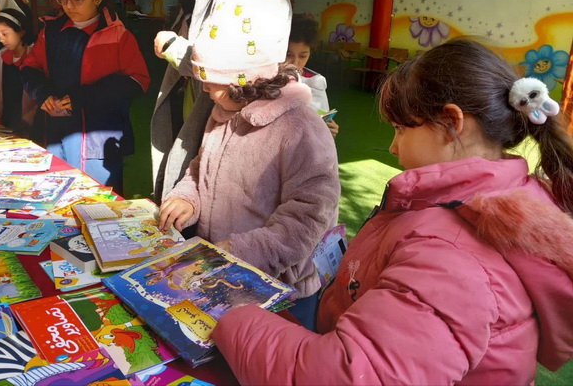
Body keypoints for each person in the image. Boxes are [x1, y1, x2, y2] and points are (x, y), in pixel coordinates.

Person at [211, 38, 573, 385]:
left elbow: (348, 375)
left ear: (451, 123)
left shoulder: (450, 256)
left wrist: (229, 311)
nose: (394, 146)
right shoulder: (486, 201)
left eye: (401, 129)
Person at [158, 0, 340, 331]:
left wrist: (242, 250)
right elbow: (200, 169)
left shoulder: (301, 127)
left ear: (245, 79)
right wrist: (187, 197)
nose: (206, 89)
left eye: (213, 80)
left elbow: (310, 215)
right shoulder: (223, 111)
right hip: (222, 271)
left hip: (282, 292)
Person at [151, 0, 291, 203]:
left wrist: (174, 48)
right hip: (198, 106)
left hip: (225, 120)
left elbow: (250, 61)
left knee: (210, 210)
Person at [20, 0, 150, 193]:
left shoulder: (117, 35)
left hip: (99, 138)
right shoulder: (51, 32)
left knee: (96, 198)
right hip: (56, 131)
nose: (69, 6)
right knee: (58, 192)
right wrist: (42, 94)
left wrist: (84, 97)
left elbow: (138, 81)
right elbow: (30, 67)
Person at [286, 15, 339, 137]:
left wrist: (329, 129)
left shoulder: (316, 81)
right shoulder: (268, 79)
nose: (295, 62)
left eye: (303, 56)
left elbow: (322, 114)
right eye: (288, 55)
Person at [0, 8, 37, 136]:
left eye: (5, 34)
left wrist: (29, 118)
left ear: (21, 31)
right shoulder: (2, 55)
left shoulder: (34, 55)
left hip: (28, 121)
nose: (2, 40)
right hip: (6, 116)